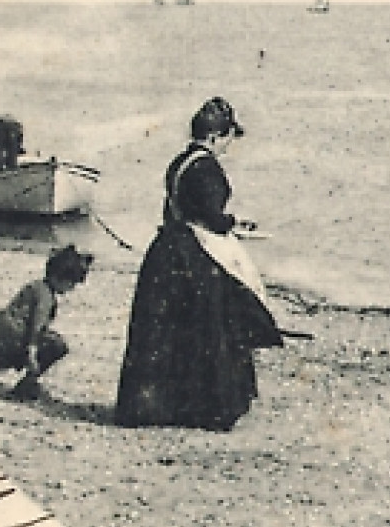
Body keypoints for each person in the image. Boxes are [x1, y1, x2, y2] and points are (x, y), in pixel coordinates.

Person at [114, 97, 283, 431]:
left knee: (165, 332)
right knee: (209, 327)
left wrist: (223, 219)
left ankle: (154, 407)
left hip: (167, 249)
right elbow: (210, 217)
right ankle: (206, 409)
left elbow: (184, 209)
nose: (229, 146)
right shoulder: (206, 167)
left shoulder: (179, 162)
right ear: (217, 136)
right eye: (229, 138)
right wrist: (234, 223)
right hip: (192, 254)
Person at [0, 245, 94, 401]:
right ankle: (26, 385)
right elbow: (36, 327)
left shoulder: (36, 286)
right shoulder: (46, 297)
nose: (72, 288)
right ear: (60, 278)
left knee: (50, 338)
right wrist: (32, 354)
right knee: (57, 345)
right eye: (71, 283)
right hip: (1, 348)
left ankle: (28, 382)